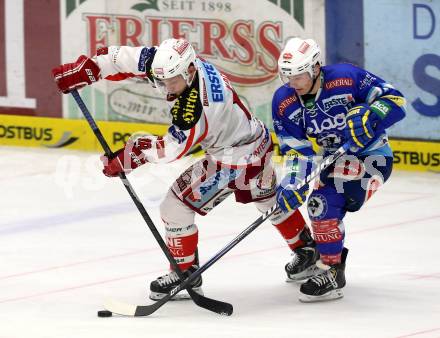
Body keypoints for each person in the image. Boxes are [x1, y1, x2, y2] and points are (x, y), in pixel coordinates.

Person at [52, 38, 315, 300]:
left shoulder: (197, 108)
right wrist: (91, 68)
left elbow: (171, 149)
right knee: (268, 200)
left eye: (172, 81)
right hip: (257, 139)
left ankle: (184, 273)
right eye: (162, 80)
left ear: (189, 72)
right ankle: (307, 251)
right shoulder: (177, 62)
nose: (167, 88)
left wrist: (129, 155)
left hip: (234, 159)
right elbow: (127, 58)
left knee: (175, 207)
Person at [272, 37, 406, 302]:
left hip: (372, 156)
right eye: (287, 76)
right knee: (316, 207)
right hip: (333, 162)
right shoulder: (285, 102)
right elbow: (297, 150)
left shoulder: (346, 77)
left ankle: (333, 270)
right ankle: (319, 257)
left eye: (299, 75)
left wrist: (372, 115)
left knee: (321, 205)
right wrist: (292, 182)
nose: (293, 83)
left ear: (316, 68)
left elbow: (396, 100)